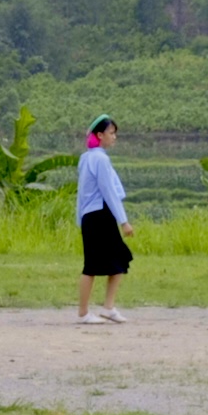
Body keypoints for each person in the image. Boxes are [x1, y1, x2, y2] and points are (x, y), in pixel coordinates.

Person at [76, 114, 134, 325]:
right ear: (100, 135)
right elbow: (108, 191)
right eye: (111, 133)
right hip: (99, 215)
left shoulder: (87, 158)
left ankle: (108, 308)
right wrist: (124, 221)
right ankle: (83, 313)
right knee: (91, 266)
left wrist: (80, 217)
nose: (114, 137)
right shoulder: (99, 159)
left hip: (93, 216)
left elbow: (81, 193)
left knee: (119, 259)